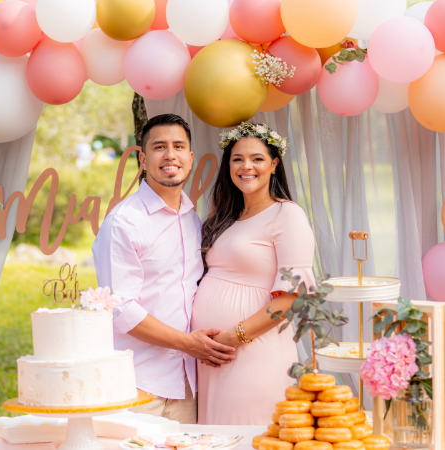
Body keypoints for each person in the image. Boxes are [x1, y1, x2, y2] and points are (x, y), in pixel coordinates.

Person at [92, 114, 236, 424]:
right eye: (159, 147)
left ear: (190, 157)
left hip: (188, 384)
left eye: (178, 146)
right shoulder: (124, 223)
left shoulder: (191, 217)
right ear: (143, 159)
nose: (170, 155)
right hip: (139, 385)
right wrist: (188, 344)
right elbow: (122, 311)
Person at [191, 122, 316, 425]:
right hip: (214, 355)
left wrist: (233, 337)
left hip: (252, 352)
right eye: (237, 159)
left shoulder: (287, 214)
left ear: (274, 165)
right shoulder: (225, 217)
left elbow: (292, 298)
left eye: (257, 158)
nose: (246, 166)